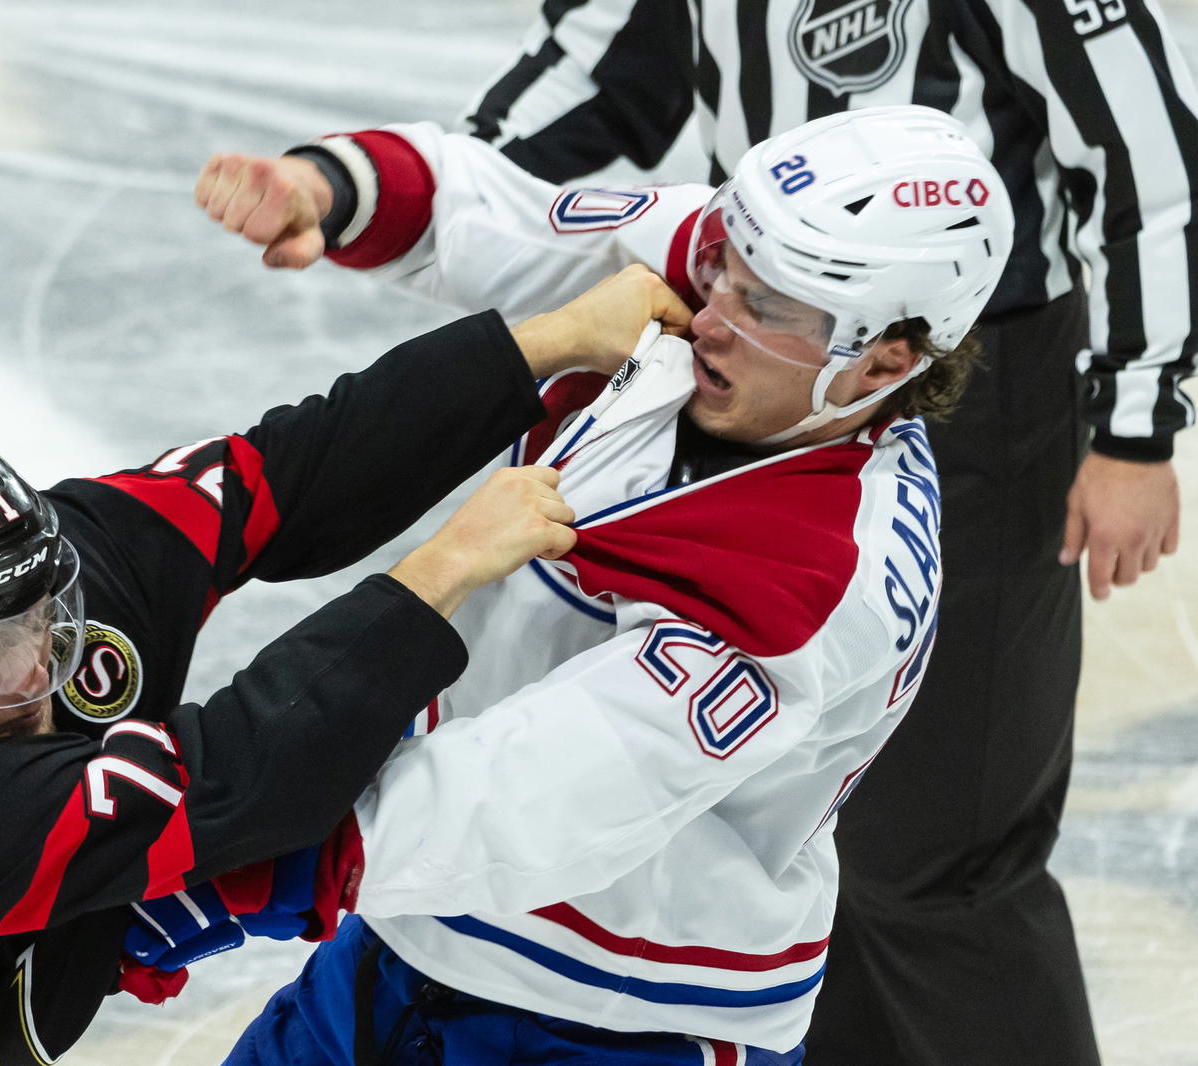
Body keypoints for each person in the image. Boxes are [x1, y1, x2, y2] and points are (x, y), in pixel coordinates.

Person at [0, 269, 689, 1066]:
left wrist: (545, 342)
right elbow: (249, 774)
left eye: (45, 619)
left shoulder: (33, 573)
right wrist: (443, 567)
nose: (32, 671)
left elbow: (286, 470)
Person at [163, 105, 1009, 1062]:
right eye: (726, 263)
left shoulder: (817, 576)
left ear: (884, 360)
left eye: (765, 306)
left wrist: (226, 863)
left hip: (614, 1012)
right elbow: (507, 214)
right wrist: (328, 187)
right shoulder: (734, 276)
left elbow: (540, 789)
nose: (710, 313)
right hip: (411, 921)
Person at [451, 5, 1195, 1061]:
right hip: (752, 354)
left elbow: (1145, 156)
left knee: (944, 858)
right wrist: (402, 195)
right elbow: (610, 67)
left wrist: (1134, 428)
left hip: (963, 380)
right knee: (787, 825)